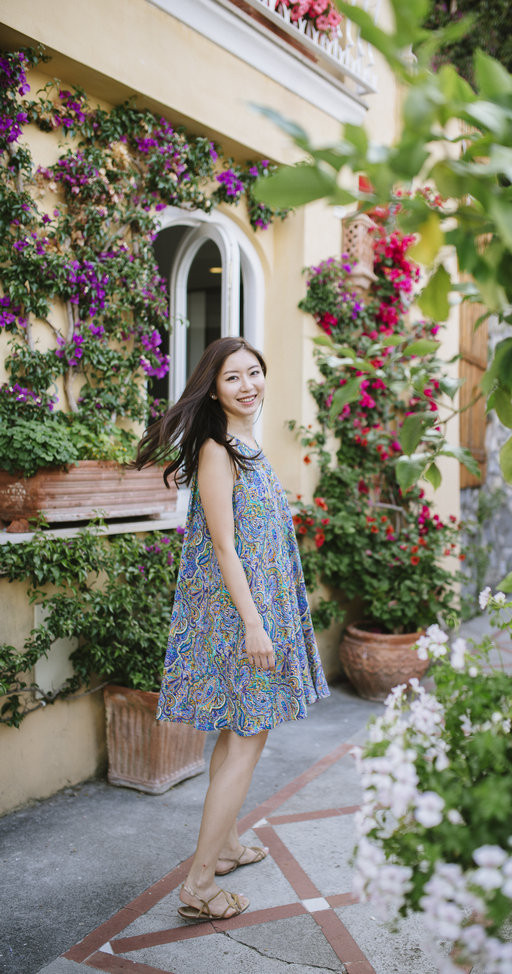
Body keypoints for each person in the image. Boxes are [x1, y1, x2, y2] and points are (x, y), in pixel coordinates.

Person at [134, 336, 330, 922]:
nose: (248, 386)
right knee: (247, 740)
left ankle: (224, 848)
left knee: (237, 733)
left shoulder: (245, 444)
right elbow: (223, 545)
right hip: (237, 616)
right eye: (233, 378)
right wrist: (253, 623)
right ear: (213, 388)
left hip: (256, 607)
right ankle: (197, 886)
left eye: (254, 373)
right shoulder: (218, 450)